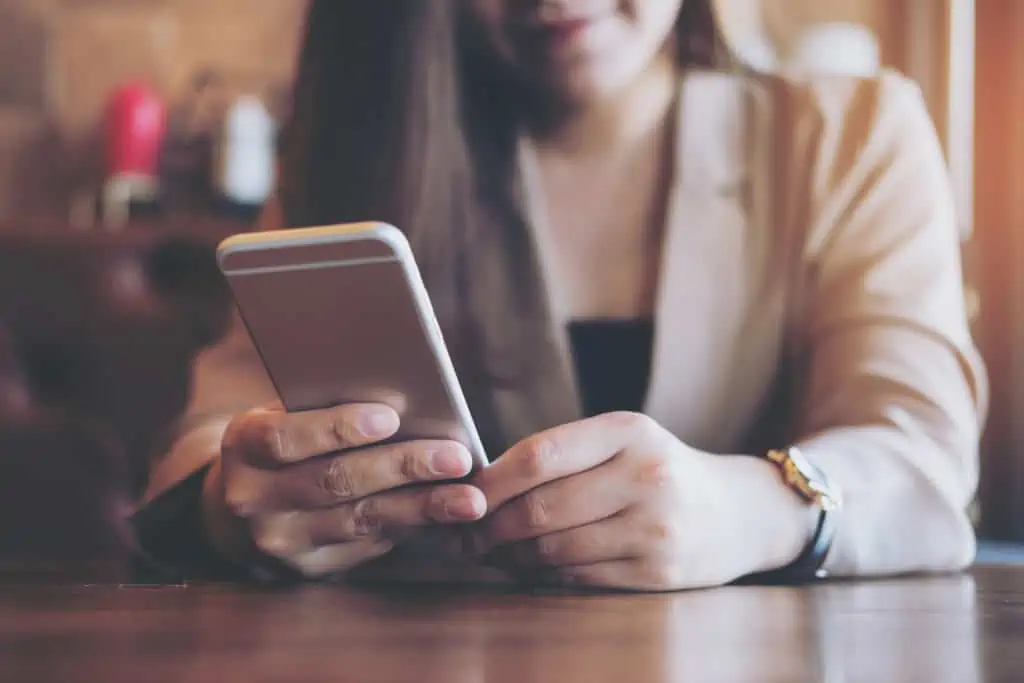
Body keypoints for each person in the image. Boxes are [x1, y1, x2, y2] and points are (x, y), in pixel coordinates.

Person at [134, 0, 987, 591]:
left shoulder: (851, 139)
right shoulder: (357, 154)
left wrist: (750, 508)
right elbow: (203, 447)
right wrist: (230, 504)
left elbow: (917, 457)